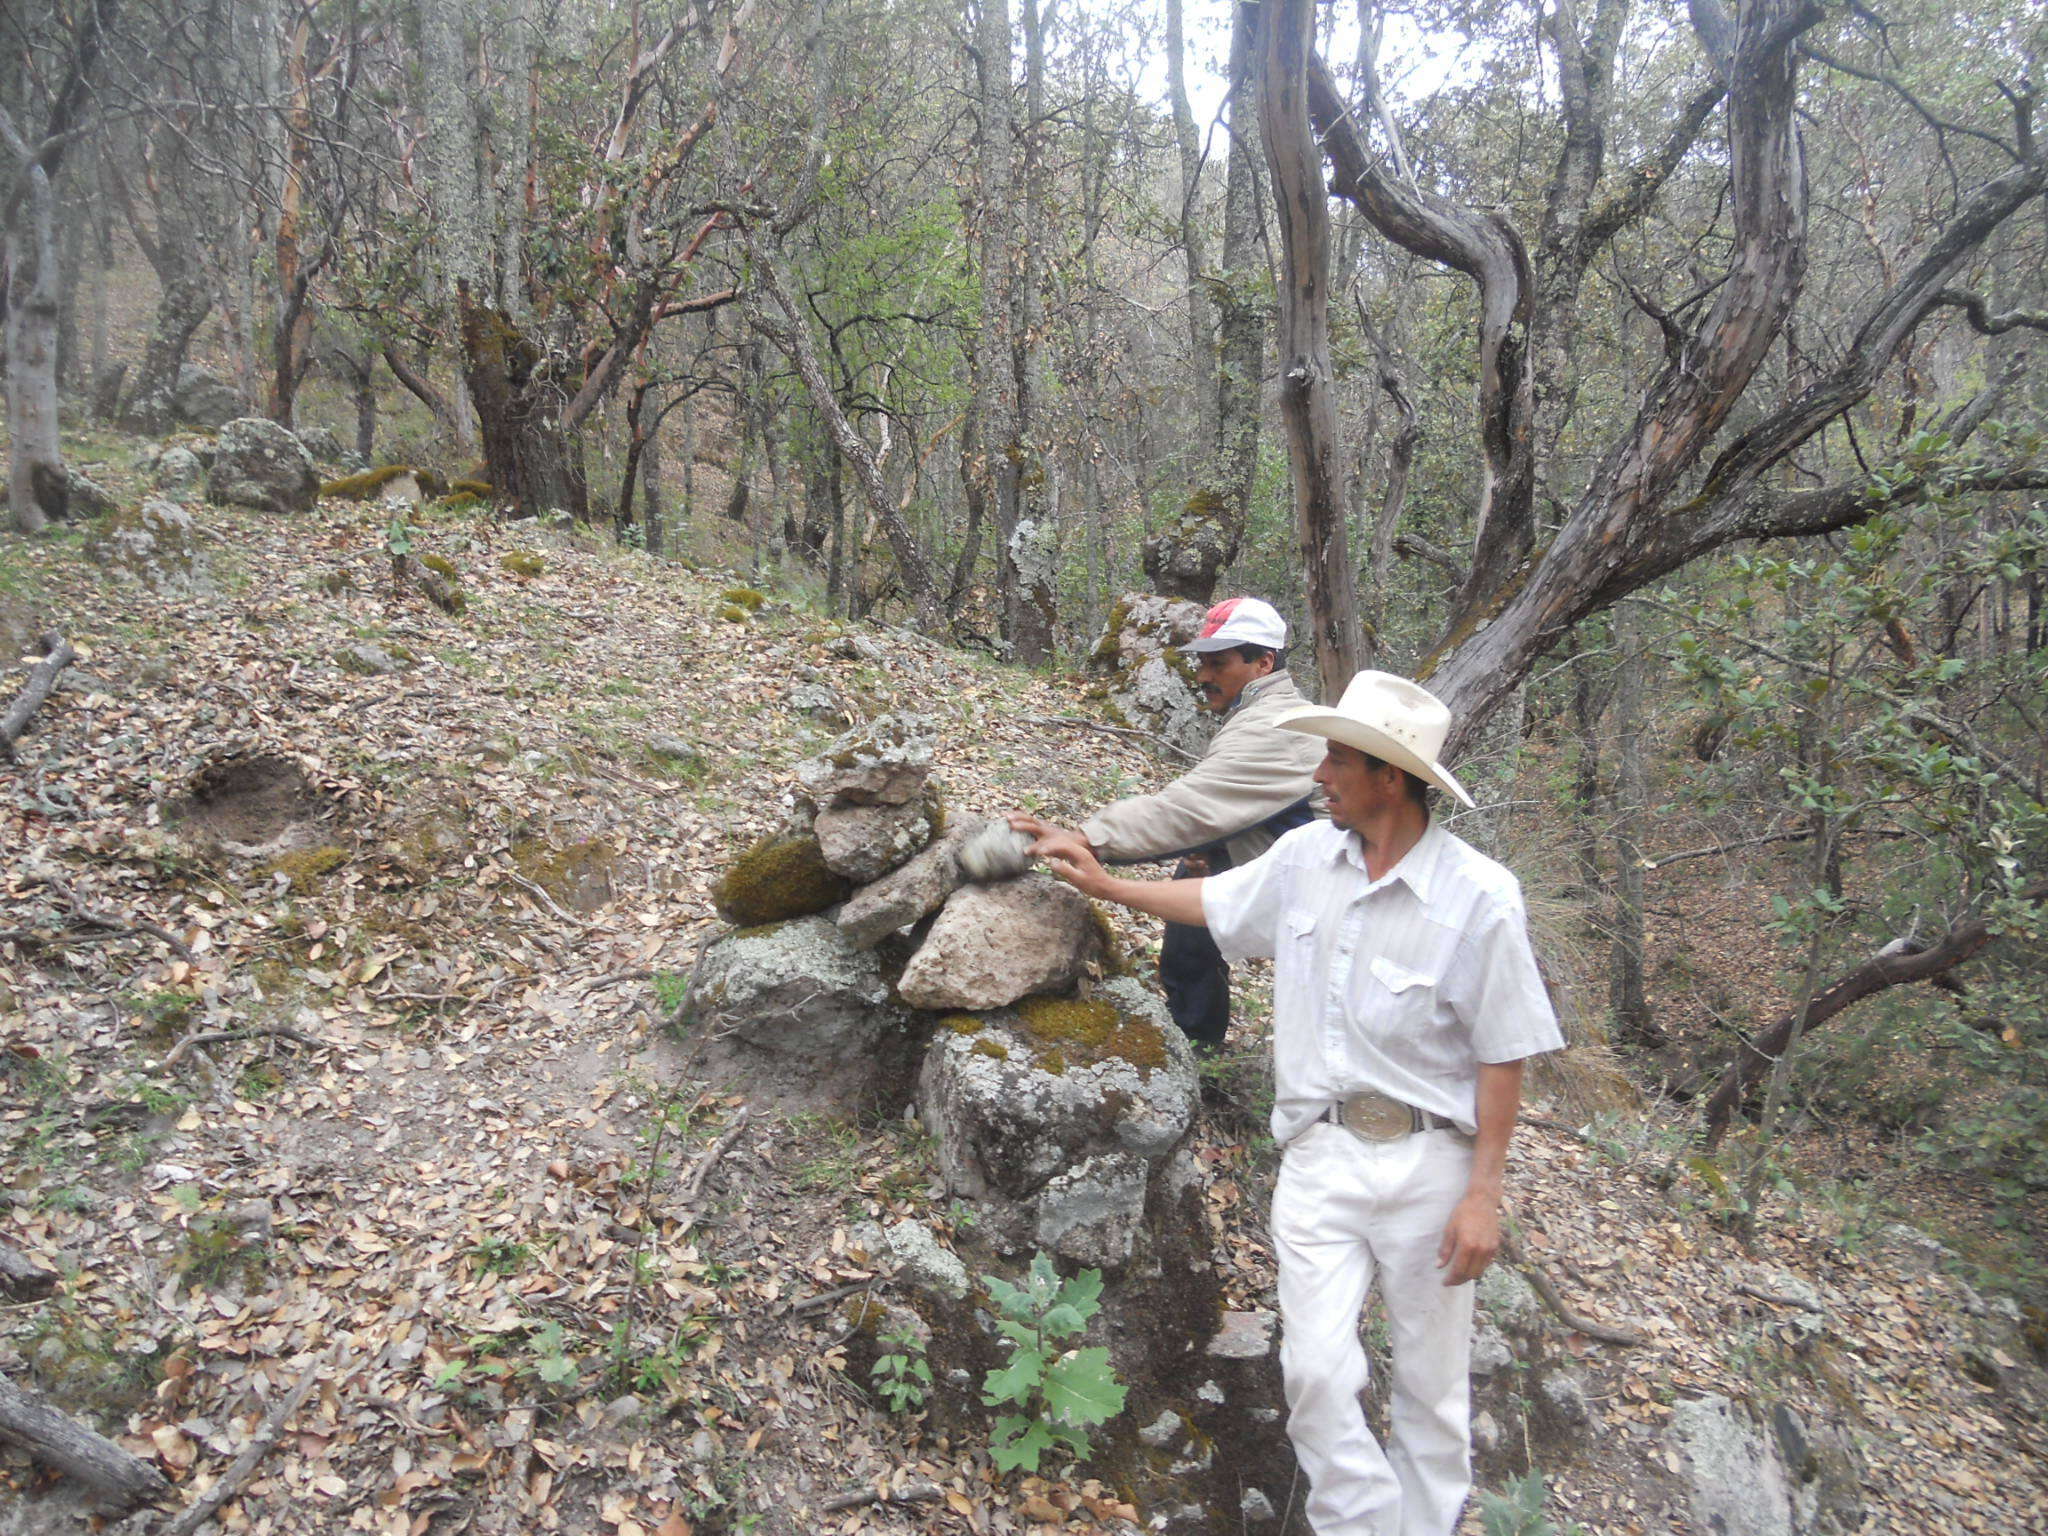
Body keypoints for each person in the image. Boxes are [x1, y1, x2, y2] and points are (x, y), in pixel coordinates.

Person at [1022, 670, 1565, 1536]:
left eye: (1338, 759)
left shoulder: (1480, 897)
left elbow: (1505, 1053)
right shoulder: (1308, 857)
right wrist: (1108, 887)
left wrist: (1482, 1196)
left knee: (1431, 1391)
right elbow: (1215, 902)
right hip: (1320, 1154)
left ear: (1390, 777)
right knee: (1314, 1372)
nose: (1319, 772)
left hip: (1432, 1167)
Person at [1011, 596, 1323, 1053]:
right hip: (1282, 868)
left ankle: (1203, 1050)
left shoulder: (1275, 726)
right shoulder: (1262, 715)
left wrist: (1085, 838)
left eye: (1217, 664)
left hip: (1323, 898)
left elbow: (1189, 808)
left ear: (1264, 663)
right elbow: (1234, 807)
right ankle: (1197, 1046)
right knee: (1194, 891)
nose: (1202, 677)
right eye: (1202, 664)